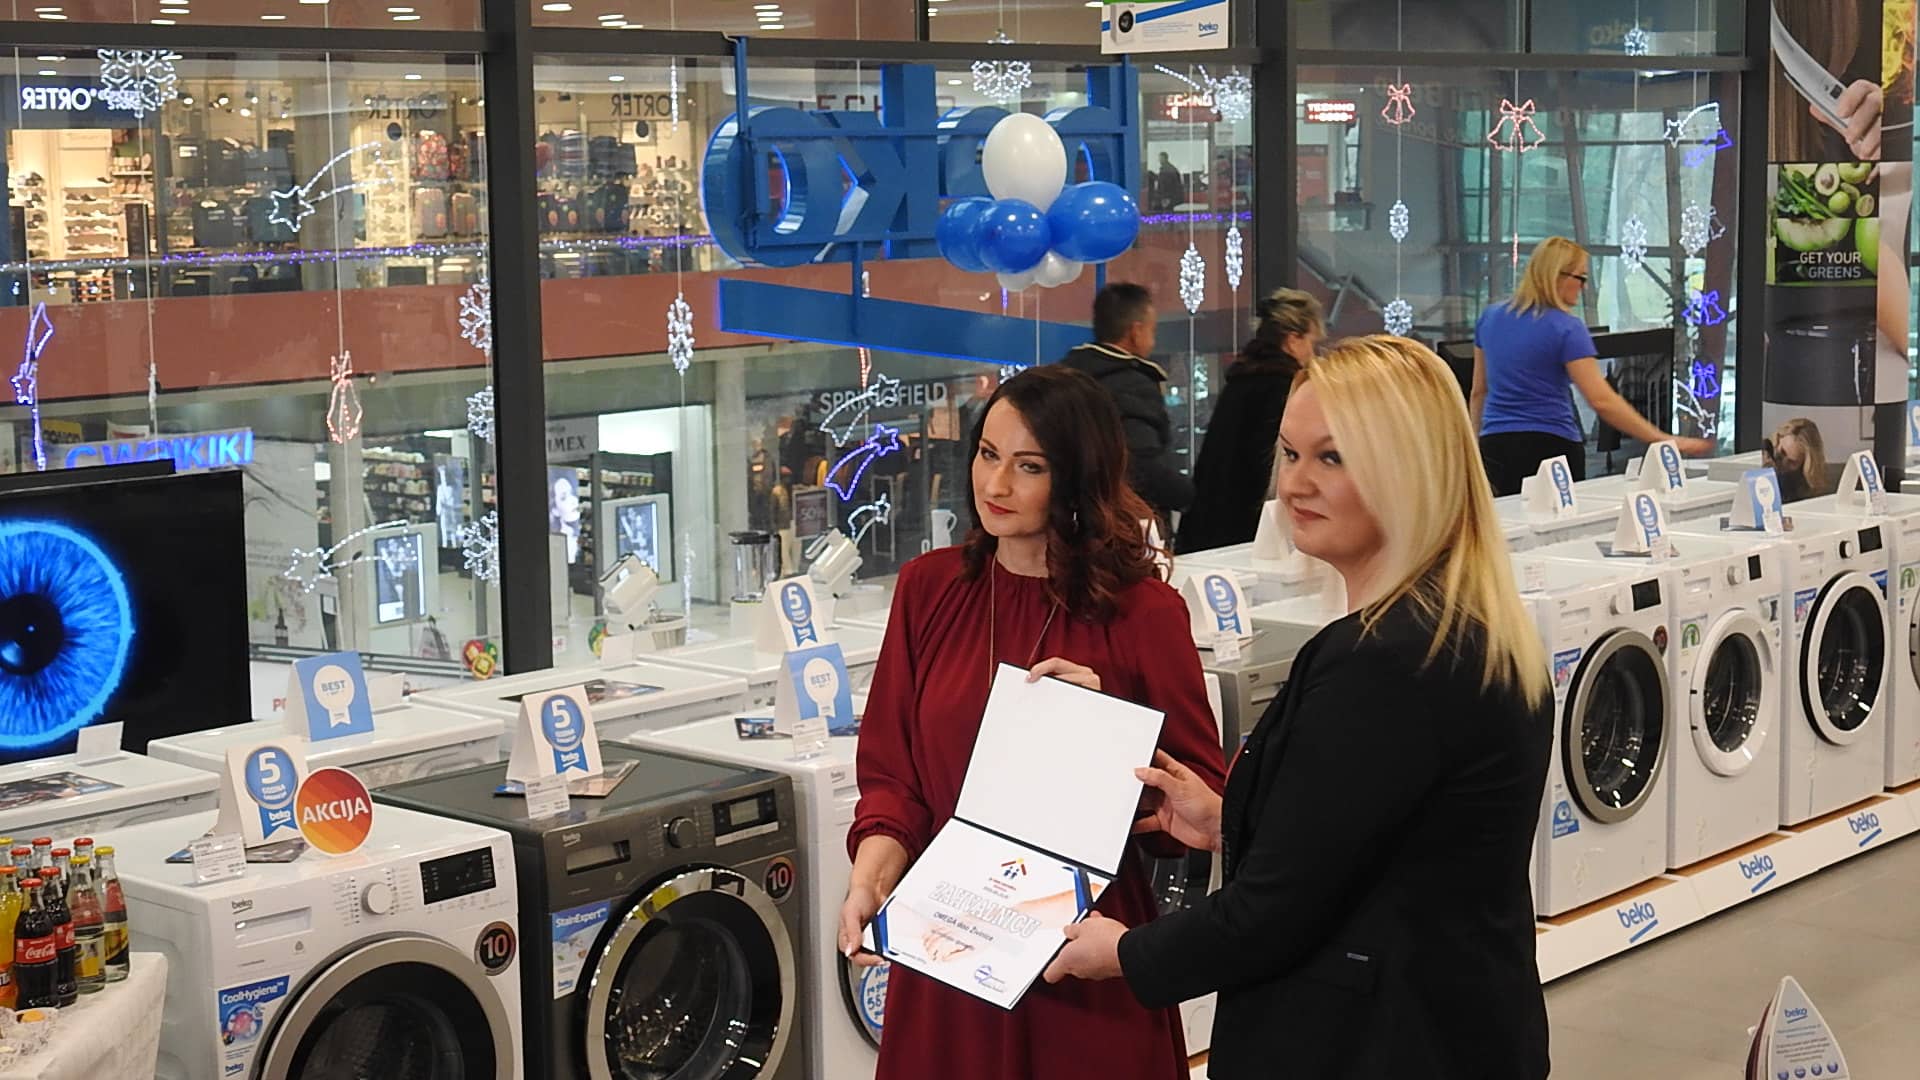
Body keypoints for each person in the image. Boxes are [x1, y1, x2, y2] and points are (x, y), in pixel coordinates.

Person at [1043, 335, 1554, 1079]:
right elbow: (1388, 843)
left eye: (1332, 458)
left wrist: (1123, 951)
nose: (1294, 484)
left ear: (1410, 470)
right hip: (1457, 1024)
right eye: (1288, 453)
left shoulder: (1383, 661)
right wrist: (1232, 822)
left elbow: (1272, 916)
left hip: (1371, 1045)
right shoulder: (1465, 625)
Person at [838, 364, 1227, 1080]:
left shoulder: (1144, 614)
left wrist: (1103, 728)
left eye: (1029, 466)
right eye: (988, 454)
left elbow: (1197, 800)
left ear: (1076, 478)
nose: (996, 484)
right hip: (948, 941)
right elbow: (892, 781)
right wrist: (869, 880)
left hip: (1078, 958)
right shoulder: (929, 589)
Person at [1473, 237, 1713, 495]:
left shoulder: (1490, 318)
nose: (1584, 287)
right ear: (1558, 275)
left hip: (1494, 448)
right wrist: (1662, 438)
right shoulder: (1566, 328)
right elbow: (1602, 400)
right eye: (1581, 278)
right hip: (1551, 449)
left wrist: (1473, 449)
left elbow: (1479, 392)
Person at [1177, 289, 1325, 553]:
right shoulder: (1284, 389)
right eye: (1312, 343)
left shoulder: (1240, 380)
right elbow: (1270, 470)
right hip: (1249, 533)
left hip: (1207, 527)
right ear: (1293, 340)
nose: (1313, 354)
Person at [1060, 282, 1195, 523]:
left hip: (1073, 518)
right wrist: (1190, 495)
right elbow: (1141, 468)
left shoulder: (1066, 377)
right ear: (1136, 331)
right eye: (1152, 331)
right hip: (1126, 524)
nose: (1152, 341)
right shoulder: (1132, 383)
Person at [1764, 417, 1832, 502]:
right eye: (1782, 452)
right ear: (1777, 439)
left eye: (1791, 462)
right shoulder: (1763, 452)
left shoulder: (1802, 487)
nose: (1782, 463)